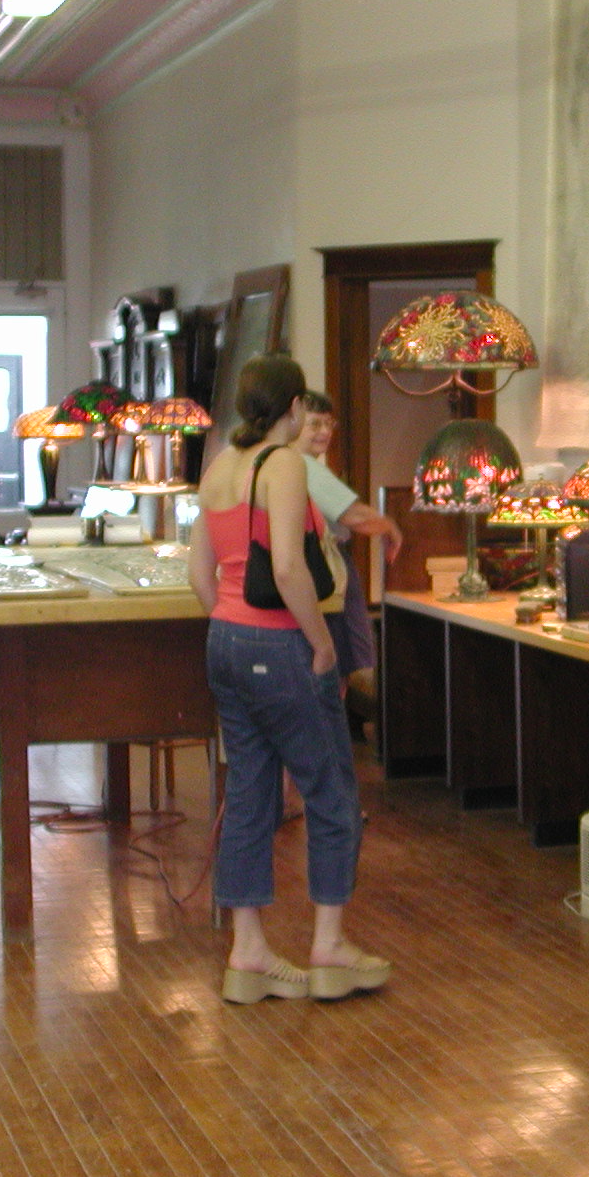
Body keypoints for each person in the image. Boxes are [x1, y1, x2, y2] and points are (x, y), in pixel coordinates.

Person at [187, 355, 391, 1004]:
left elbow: (199, 573)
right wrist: (322, 642)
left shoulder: (220, 467)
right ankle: (329, 948)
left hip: (224, 640)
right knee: (332, 792)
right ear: (296, 406)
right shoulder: (284, 466)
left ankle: (248, 954)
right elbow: (287, 569)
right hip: (280, 644)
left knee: (251, 795)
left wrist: (231, 623)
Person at [289, 391, 400, 713]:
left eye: (329, 424)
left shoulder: (285, 463)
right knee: (339, 661)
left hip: (308, 571)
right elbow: (353, 515)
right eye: (315, 424)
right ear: (294, 424)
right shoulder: (302, 464)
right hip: (325, 570)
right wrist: (390, 527)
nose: (324, 432)